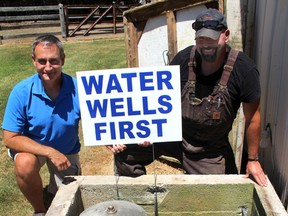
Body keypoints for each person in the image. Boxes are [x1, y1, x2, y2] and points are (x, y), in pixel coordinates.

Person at [107, 8, 268, 187]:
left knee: (218, 195)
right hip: (175, 135)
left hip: (208, 150)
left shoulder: (244, 69)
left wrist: (253, 159)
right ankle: (137, 201)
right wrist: (145, 129)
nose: (206, 44)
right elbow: (155, 97)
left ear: (226, 35)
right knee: (125, 153)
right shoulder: (183, 59)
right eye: (201, 38)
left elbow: (253, 118)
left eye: (211, 38)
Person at [2, 34, 81, 216]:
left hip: (67, 149)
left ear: (62, 59)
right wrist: (49, 152)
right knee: (24, 163)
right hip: (34, 149)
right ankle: (39, 211)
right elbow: (10, 138)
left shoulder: (79, 88)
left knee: (68, 198)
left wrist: (109, 138)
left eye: (53, 61)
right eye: (42, 61)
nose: (47, 67)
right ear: (33, 61)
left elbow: (97, 118)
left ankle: (50, 194)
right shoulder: (21, 91)